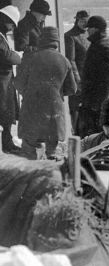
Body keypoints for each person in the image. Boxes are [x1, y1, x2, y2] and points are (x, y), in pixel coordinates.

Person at [16, 26, 76, 159]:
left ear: (41, 40)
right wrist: (56, 92)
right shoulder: (64, 61)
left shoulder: (30, 58)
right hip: (54, 114)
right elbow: (72, 88)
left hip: (31, 111)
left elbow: (18, 83)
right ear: (56, 42)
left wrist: (28, 93)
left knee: (28, 153)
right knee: (52, 155)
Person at [77, 15, 109, 137]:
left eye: (89, 28)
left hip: (98, 105)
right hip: (92, 102)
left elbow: (108, 80)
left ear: (95, 29)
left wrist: (98, 105)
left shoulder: (104, 47)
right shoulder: (98, 44)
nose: (87, 31)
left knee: (95, 138)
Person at [64, 10, 89, 129]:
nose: (85, 23)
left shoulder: (90, 34)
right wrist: (77, 80)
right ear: (77, 20)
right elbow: (71, 60)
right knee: (75, 109)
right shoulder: (70, 36)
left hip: (89, 78)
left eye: (87, 21)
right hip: (77, 78)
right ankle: (75, 137)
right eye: (82, 21)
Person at [0, 4, 20, 153]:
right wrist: (18, 56)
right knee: (4, 111)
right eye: (11, 24)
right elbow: (6, 55)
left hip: (5, 81)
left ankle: (7, 143)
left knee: (7, 111)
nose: (12, 27)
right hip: (2, 80)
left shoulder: (2, 35)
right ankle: (5, 145)